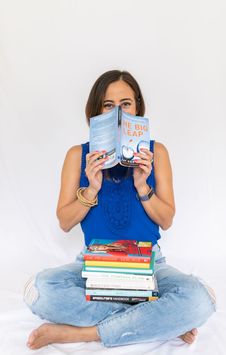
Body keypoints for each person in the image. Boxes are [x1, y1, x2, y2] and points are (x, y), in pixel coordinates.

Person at [23, 70, 216, 350]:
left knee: (201, 298)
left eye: (125, 104)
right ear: (95, 111)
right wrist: (90, 189)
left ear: (137, 107)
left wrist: (142, 186)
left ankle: (82, 334)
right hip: (95, 261)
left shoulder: (156, 152)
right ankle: (162, 321)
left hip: (149, 263)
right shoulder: (77, 155)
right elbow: (64, 222)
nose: (118, 113)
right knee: (38, 290)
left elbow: (167, 220)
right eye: (108, 105)